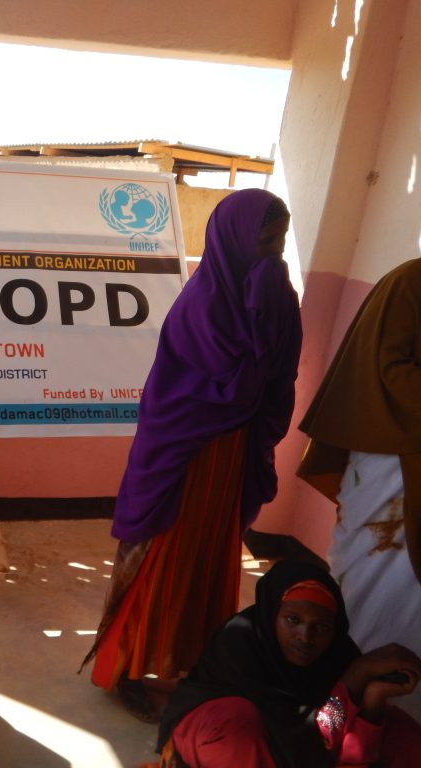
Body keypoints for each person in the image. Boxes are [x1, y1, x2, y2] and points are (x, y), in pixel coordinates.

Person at [81, 189, 303, 721]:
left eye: (280, 243)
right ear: (234, 241)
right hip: (183, 460)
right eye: (265, 242)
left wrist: (274, 310)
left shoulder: (266, 299)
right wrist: (266, 315)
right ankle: (128, 668)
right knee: (165, 560)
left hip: (228, 460)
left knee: (207, 561)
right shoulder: (202, 307)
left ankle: (190, 662)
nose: (273, 255)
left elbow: (276, 376)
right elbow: (233, 387)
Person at [156, 559, 421, 767]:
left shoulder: (338, 655)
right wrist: (355, 677)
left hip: (297, 748)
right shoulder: (240, 644)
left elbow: (331, 738)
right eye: (293, 620)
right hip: (222, 737)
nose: (305, 636)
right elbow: (306, 735)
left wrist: (373, 698)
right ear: (273, 615)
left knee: (400, 732)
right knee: (237, 726)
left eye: (321, 627)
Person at [297, 258, 421, 671]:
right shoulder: (410, 281)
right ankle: (348, 681)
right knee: (374, 568)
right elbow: (386, 371)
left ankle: (398, 693)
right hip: (390, 456)